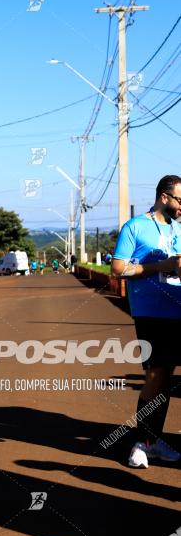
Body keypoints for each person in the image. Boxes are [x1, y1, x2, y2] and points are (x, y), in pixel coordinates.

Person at [112, 175, 181, 468]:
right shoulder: (135, 227)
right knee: (155, 376)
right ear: (164, 197)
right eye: (180, 199)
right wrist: (160, 266)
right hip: (151, 312)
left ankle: (155, 440)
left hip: (178, 310)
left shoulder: (179, 228)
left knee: (167, 378)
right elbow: (117, 269)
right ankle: (142, 441)